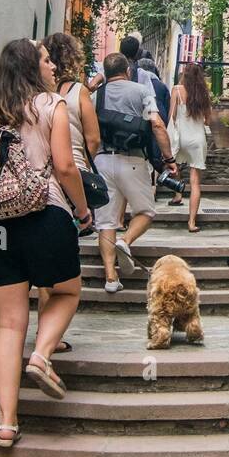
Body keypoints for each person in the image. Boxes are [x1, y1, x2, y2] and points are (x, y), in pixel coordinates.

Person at [0, 39, 90, 448]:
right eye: (46, 60)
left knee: (7, 324)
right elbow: (67, 167)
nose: (53, 65)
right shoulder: (52, 105)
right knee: (68, 291)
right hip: (45, 213)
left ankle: (6, 422)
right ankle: (41, 355)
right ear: (33, 68)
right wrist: (84, 212)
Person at [93, 53, 178, 291]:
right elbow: (157, 124)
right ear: (128, 71)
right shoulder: (141, 91)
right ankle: (125, 240)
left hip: (103, 161)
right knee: (145, 211)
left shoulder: (94, 96)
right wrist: (168, 158)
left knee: (106, 222)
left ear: (106, 74)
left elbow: (88, 132)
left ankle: (111, 278)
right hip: (134, 160)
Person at [42, 33, 106, 339]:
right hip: (70, 174)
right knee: (65, 254)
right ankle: (50, 337)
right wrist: (82, 162)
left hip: (41, 176)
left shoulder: (35, 92)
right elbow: (93, 138)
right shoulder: (79, 92)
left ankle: (46, 328)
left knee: (47, 256)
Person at [169, 63, 212, 233]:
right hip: (197, 139)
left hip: (181, 138)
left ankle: (178, 193)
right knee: (195, 182)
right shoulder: (203, 94)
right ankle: (192, 222)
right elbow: (208, 121)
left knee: (173, 166)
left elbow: (171, 116)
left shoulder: (177, 90)